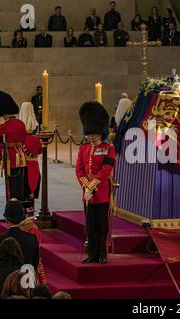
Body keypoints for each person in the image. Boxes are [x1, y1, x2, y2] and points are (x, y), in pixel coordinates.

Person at [76, 102, 116, 264]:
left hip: (102, 194)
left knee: (102, 227)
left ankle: (102, 254)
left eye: (94, 133)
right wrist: (85, 186)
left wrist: (92, 186)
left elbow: (106, 169)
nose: (91, 136)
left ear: (100, 131)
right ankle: (92, 254)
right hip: (88, 195)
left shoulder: (109, 148)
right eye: (89, 133)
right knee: (90, 226)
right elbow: (79, 169)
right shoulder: (83, 148)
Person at [0, 91, 27, 201]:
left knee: (10, 184)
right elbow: (24, 139)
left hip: (10, 157)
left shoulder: (3, 126)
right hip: (21, 157)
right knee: (20, 181)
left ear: (5, 114)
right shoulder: (21, 124)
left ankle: (12, 205)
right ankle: (20, 203)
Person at [0, 200, 39, 271]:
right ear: (22, 219)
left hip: (3, 280)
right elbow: (35, 265)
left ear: (6, 219)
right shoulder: (32, 238)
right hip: (25, 280)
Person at [19, 102, 42, 210]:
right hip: (35, 166)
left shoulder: (21, 139)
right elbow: (40, 151)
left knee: (23, 192)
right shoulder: (36, 139)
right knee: (31, 194)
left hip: (24, 167)